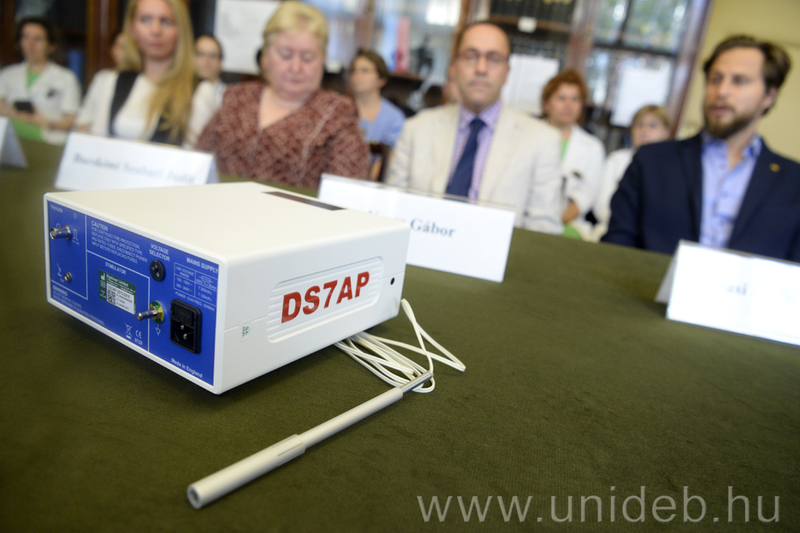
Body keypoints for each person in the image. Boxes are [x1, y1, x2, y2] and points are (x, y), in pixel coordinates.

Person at [602, 35, 800, 262]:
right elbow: (616, 249)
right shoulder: (651, 161)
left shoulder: (793, 183)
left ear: (769, 96)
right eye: (715, 79)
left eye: (739, 81)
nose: (722, 91)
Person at [385, 22, 562, 234]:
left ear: (507, 72)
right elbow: (390, 214)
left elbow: (543, 229)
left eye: (494, 59)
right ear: (454, 67)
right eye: (470, 56)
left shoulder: (542, 140)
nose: (481, 69)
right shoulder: (416, 130)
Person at [196, 1, 369, 188]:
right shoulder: (237, 97)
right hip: (220, 203)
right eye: (285, 55)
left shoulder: (337, 113)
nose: (295, 67)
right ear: (266, 56)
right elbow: (198, 161)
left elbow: (346, 190)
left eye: (307, 58)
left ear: (323, 60)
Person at [81, 0, 216, 148]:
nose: (155, 30)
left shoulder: (199, 90)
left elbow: (193, 157)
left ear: (180, 30)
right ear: (132, 28)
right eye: (146, 20)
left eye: (165, 21)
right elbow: (96, 144)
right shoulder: (115, 80)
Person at [589, 105, 671, 241]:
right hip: (614, 229)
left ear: (666, 132)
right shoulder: (616, 160)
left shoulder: (672, 168)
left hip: (656, 238)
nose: (645, 130)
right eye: (639, 125)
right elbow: (601, 206)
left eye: (653, 125)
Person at [541, 69, 606, 238]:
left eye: (575, 99)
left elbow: (585, 195)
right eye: (561, 98)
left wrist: (555, 221)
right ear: (546, 103)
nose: (568, 105)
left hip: (568, 225)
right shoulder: (528, 136)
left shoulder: (593, 147)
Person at [0, 16, 81, 144]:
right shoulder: (7, 74)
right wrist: (13, 114)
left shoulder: (66, 78)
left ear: (51, 46)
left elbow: (71, 119)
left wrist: (45, 123)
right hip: (10, 140)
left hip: (50, 142)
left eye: (38, 39)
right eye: (25, 37)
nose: (30, 44)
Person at [349, 49, 405, 179]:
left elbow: (390, 160)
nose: (357, 75)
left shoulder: (394, 118)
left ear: (381, 80)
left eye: (365, 71)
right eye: (354, 70)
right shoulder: (339, 110)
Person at [75, 32, 125, 131]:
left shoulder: (146, 81)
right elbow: (84, 117)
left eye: (131, 48)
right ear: (113, 50)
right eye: (122, 47)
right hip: (96, 136)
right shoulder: (102, 78)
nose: (126, 53)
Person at [194, 34, 226, 109]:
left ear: (221, 62)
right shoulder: (179, 92)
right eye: (201, 54)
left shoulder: (229, 97)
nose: (207, 60)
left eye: (213, 55)